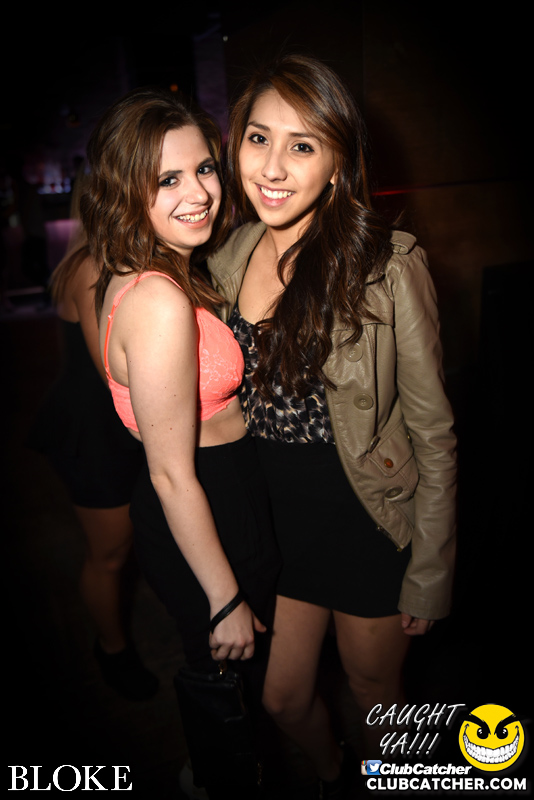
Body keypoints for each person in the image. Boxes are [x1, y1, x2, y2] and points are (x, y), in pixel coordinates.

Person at [208, 55, 457, 797]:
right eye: (259, 138)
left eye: (303, 145)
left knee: (375, 688)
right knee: (283, 699)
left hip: (365, 518)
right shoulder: (227, 255)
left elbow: (434, 433)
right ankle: (336, 775)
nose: (272, 167)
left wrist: (431, 571)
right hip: (276, 525)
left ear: (339, 162)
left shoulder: (387, 266)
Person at [79, 87, 281, 798]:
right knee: (231, 688)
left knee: (230, 688)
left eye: (204, 169)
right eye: (167, 179)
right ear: (123, 189)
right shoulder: (159, 299)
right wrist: (223, 596)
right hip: (205, 502)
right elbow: (171, 473)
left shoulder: (135, 273)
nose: (198, 193)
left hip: (201, 499)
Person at [29, 237, 158, 701]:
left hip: (132, 422)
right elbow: (112, 374)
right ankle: (112, 649)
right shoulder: (91, 265)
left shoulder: (146, 254)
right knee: (110, 553)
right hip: (96, 431)